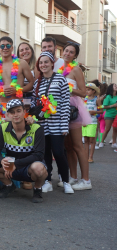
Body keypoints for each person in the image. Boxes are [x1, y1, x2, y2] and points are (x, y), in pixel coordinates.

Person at [0, 100, 47, 203]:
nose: (15, 114)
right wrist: (1, 161)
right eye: (12, 112)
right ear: (8, 114)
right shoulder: (3, 127)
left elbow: (39, 155)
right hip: (11, 167)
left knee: (39, 168)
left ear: (24, 112)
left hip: (29, 166)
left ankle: (37, 189)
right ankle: (9, 185)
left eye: (18, 111)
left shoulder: (37, 129)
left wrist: (16, 164)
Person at [30, 52, 72, 194]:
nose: (43, 65)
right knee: (45, 153)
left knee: (59, 153)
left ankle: (65, 181)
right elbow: (34, 104)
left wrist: (64, 125)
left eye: (46, 62)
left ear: (52, 63)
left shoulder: (61, 79)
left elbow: (66, 104)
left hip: (57, 124)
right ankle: (47, 180)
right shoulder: (37, 82)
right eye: (41, 63)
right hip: (42, 125)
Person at [60, 43, 92, 190]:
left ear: (75, 55)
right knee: (68, 146)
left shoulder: (76, 69)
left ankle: (86, 181)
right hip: (61, 109)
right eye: (66, 50)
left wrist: (68, 88)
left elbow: (84, 92)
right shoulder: (60, 68)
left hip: (73, 109)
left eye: (71, 52)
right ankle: (73, 177)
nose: (67, 53)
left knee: (78, 145)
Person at [0, 36, 34, 103]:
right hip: (2, 105)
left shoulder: (22, 63)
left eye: (8, 45)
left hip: (17, 105)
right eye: (2, 46)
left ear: (12, 48)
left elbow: (32, 83)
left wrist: (18, 90)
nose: (5, 48)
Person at [82, 83, 101, 164]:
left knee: (92, 140)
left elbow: (101, 111)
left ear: (93, 91)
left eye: (89, 90)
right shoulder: (84, 99)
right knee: (85, 140)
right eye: (86, 90)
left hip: (93, 122)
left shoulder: (97, 100)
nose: (87, 91)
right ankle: (86, 156)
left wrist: (95, 112)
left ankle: (91, 157)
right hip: (85, 122)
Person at [99, 83, 117, 148]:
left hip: (116, 115)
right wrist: (113, 105)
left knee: (115, 129)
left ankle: (114, 143)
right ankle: (101, 142)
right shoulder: (108, 96)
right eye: (115, 86)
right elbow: (104, 106)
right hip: (109, 115)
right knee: (107, 129)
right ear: (111, 88)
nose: (116, 86)